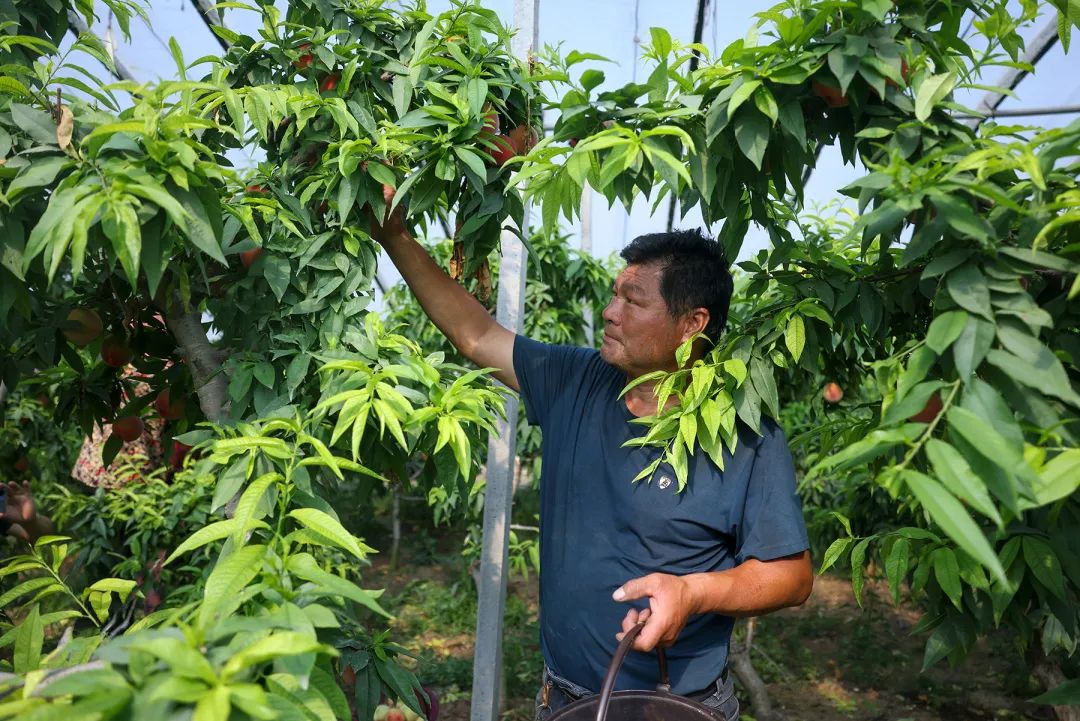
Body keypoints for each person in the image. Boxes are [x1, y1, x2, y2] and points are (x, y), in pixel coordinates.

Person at [372, 193, 813, 721]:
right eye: (613, 294)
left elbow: (792, 576)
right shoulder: (576, 380)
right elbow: (476, 334)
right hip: (563, 698)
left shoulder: (746, 436)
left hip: (677, 706)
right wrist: (394, 236)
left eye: (634, 300)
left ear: (693, 323)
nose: (610, 312)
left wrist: (693, 593)